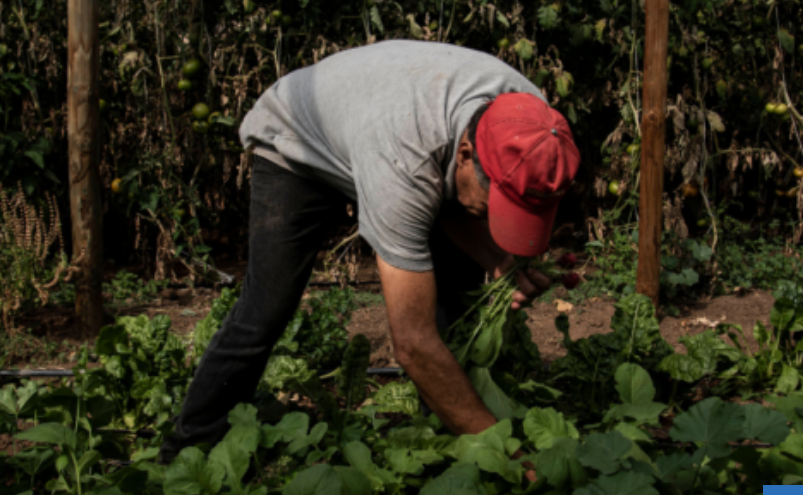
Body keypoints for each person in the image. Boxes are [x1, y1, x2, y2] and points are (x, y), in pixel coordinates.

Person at [159, 39, 581, 462]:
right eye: (499, 204)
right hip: (299, 139)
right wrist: (505, 453)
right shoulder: (405, 163)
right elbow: (412, 343)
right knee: (266, 309)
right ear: (466, 155)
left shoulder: (536, 128)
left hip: (393, 129)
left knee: (454, 298)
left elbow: (455, 194)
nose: (497, 219)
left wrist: (498, 260)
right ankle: (188, 450)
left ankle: (440, 438)